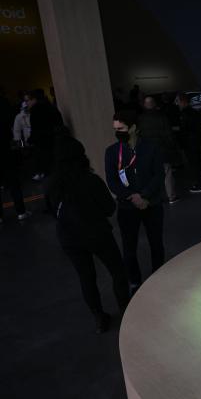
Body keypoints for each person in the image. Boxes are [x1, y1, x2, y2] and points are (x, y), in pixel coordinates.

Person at [47, 135, 129, 333]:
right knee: (117, 271)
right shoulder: (90, 180)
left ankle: (99, 318)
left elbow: (51, 211)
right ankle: (126, 311)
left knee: (86, 277)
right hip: (97, 233)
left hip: (69, 238)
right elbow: (109, 208)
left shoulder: (52, 185)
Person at [105, 110, 165, 294]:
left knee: (156, 243)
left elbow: (159, 175)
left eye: (121, 128)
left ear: (133, 128)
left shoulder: (151, 147)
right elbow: (112, 181)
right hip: (127, 207)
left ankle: (160, 275)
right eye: (115, 129)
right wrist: (133, 197)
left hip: (151, 204)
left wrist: (145, 196)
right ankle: (135, 281)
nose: (118, 132)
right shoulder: (112, 152)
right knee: (129, 247)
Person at [137, 96, 178, 203]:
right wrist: (172, 146)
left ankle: (154, 197)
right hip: (162, 149)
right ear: (154, 104)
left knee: (150, 175)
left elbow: (139, 136)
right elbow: (169, 135)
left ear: (145, 105)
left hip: (147, 151)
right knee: (167, 173)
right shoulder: (162, 117)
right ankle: (171, 196)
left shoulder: (140, 119)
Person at [0, 89, 30, 224]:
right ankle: (21, 211)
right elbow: (12, 123)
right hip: (5, 149)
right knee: (13, 182)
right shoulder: (4, 104)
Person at [27, 88, 64, 181]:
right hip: (56, 142)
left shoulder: (35, 111)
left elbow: (36, 131)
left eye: (28, 100)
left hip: (44, 145)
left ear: (34, 99)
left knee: (50, 174)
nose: (27, 103)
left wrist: (30, 140)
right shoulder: (50, 106)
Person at [177, 93, 201, 193]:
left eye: (179, 101)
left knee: (194, 164)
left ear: (183, 102)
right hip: (196, 141)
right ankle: (199, 183)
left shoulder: (184, 114)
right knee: (197, 163)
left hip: (189, 143)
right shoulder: (195, 112)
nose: (178, 104)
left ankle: (199, 184)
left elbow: (184, 130)